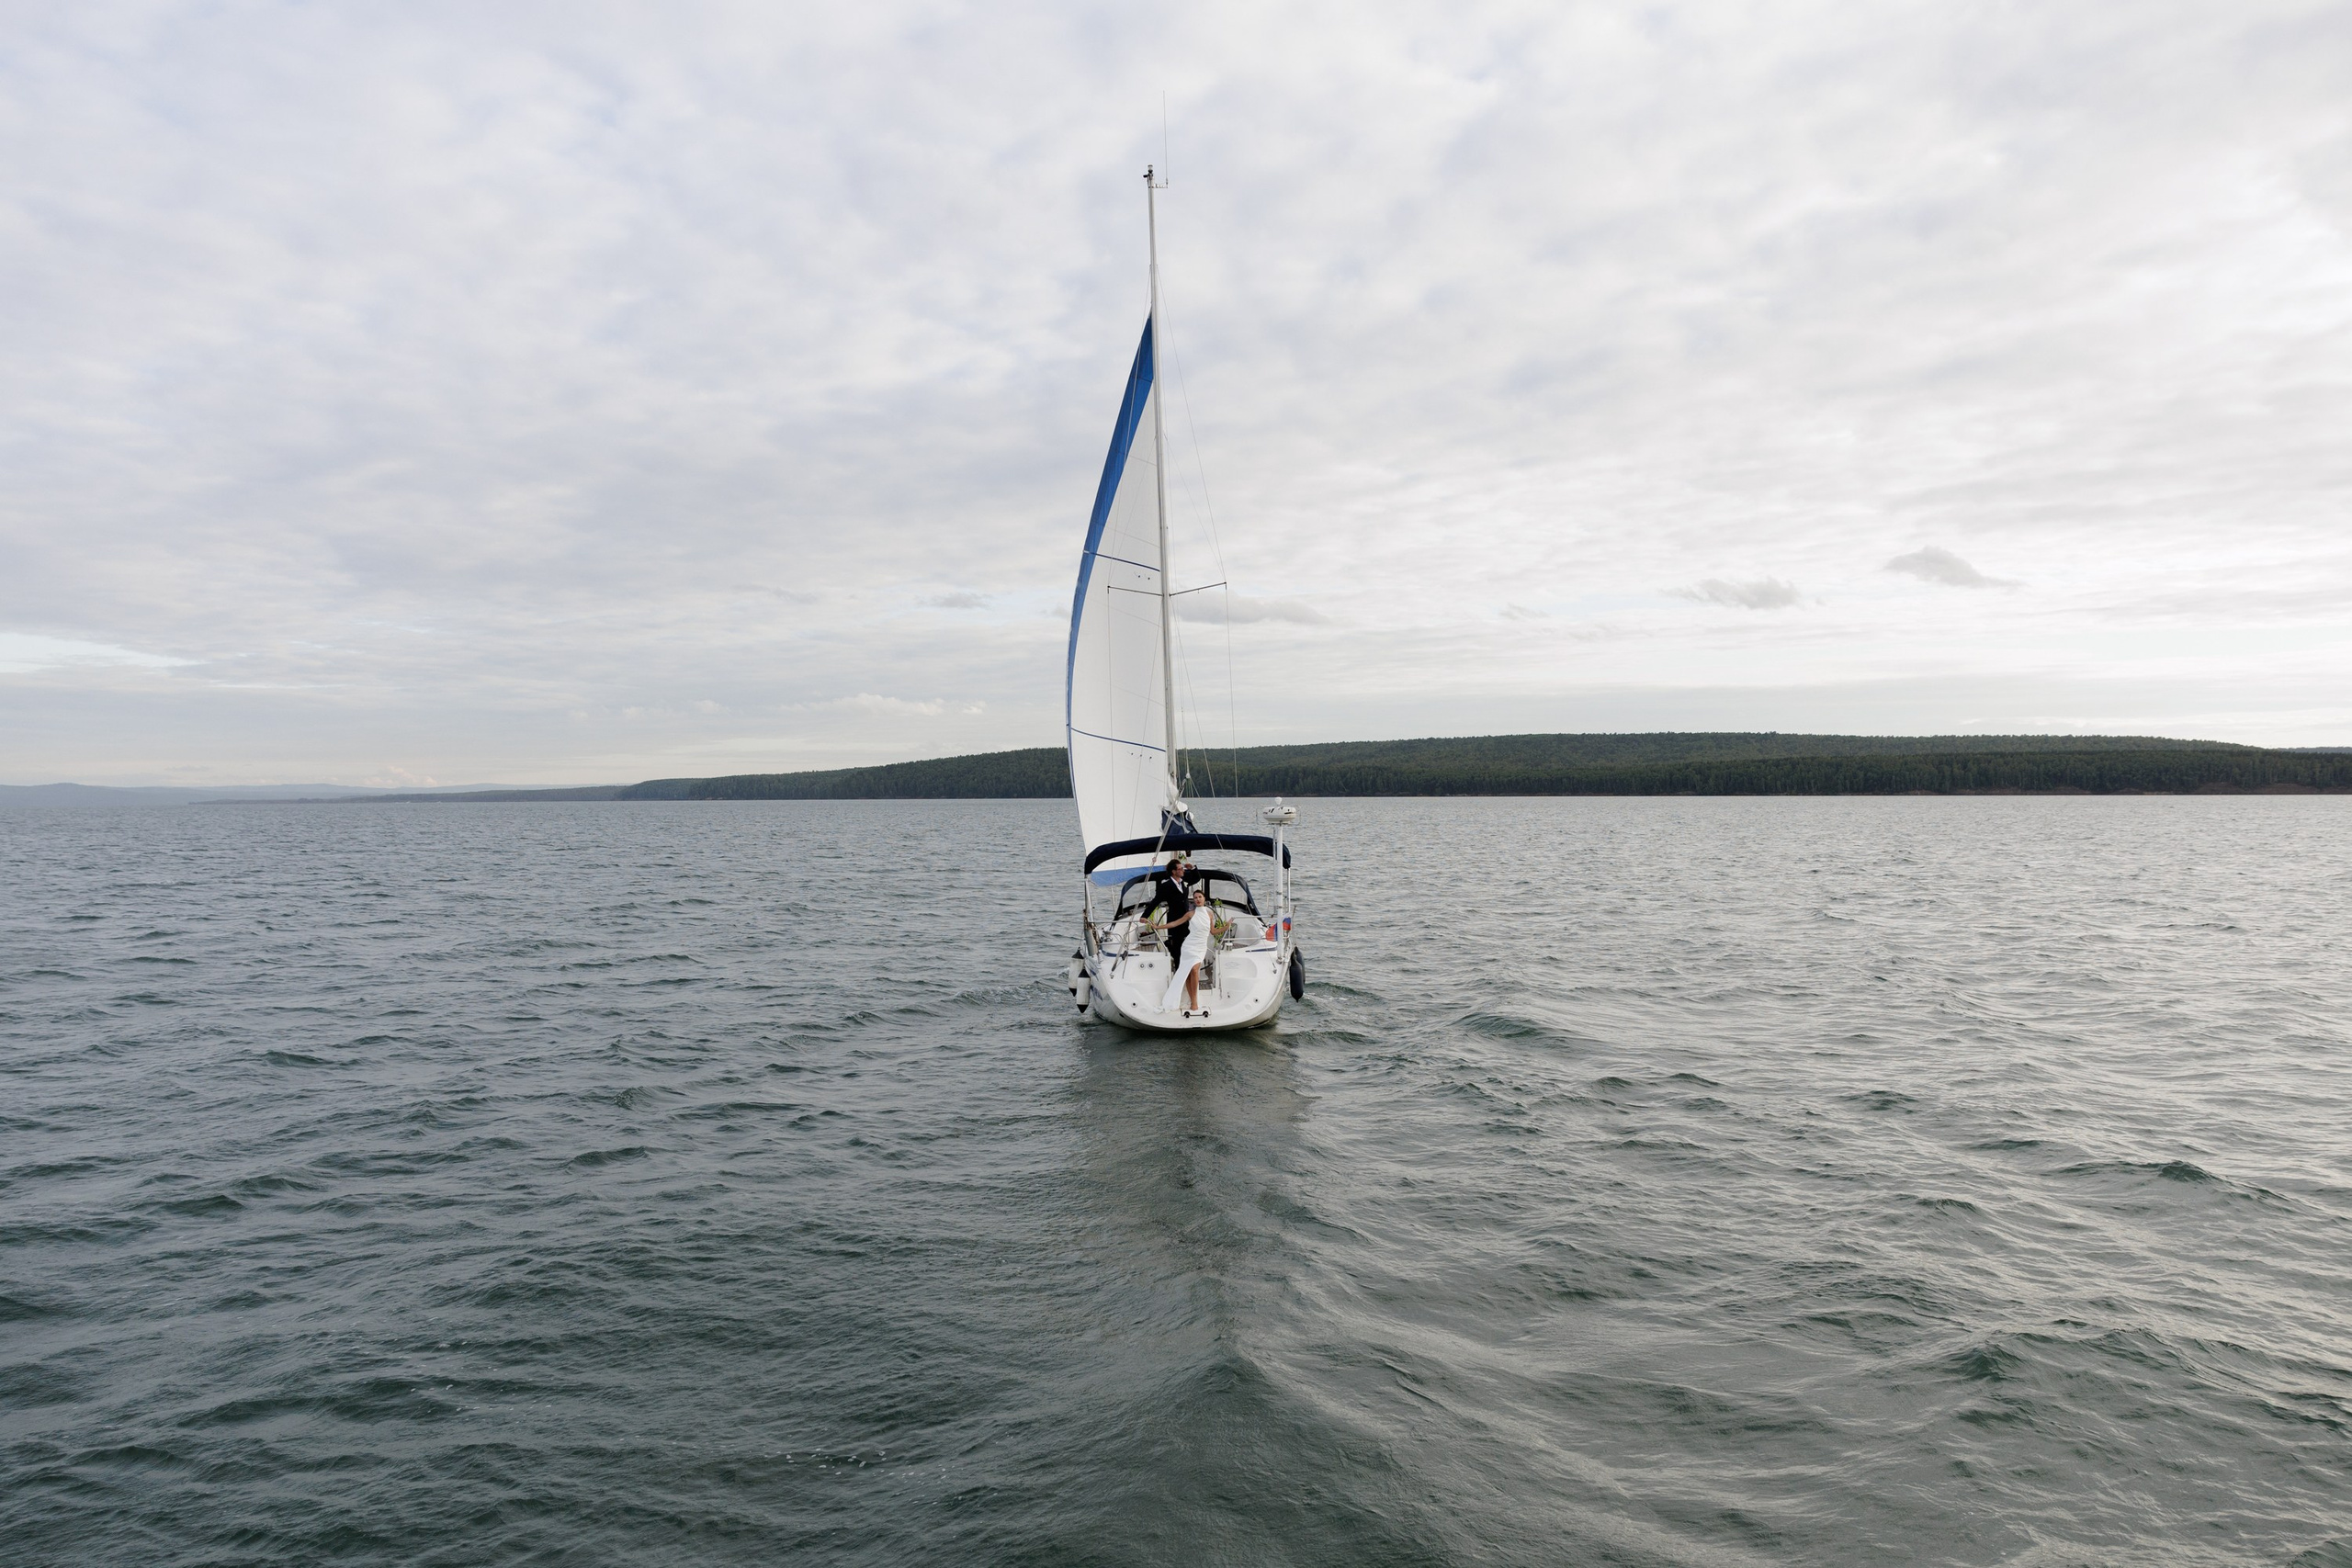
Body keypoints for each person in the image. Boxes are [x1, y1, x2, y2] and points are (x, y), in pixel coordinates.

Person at [1159, 887, 1215, 1016]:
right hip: (1189, 946)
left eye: (1200, 897)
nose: (1198, 899)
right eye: (1195, 898)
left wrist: (1227, 926)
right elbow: (1174, 924)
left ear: (1204, 898)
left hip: (1201, 947)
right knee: (1192, 971)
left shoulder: (1209, 914)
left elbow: (1213, 932)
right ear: (1193, 901)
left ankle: (1193, 1000)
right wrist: (1158, 927)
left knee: (1193, 971)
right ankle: (1194, 1001)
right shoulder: (1190, 914)